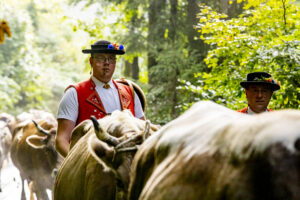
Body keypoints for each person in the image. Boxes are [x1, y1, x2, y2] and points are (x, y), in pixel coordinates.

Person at [55, 40, 145, 157]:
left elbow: (143, 133)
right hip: (88, 167)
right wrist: (77, 166)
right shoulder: (74, 93)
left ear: (115, 63)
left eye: (111, 58)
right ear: (91, 62)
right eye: (101, 58)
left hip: (129, 165)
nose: (107, 63)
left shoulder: (130, 93)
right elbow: (61, 140)